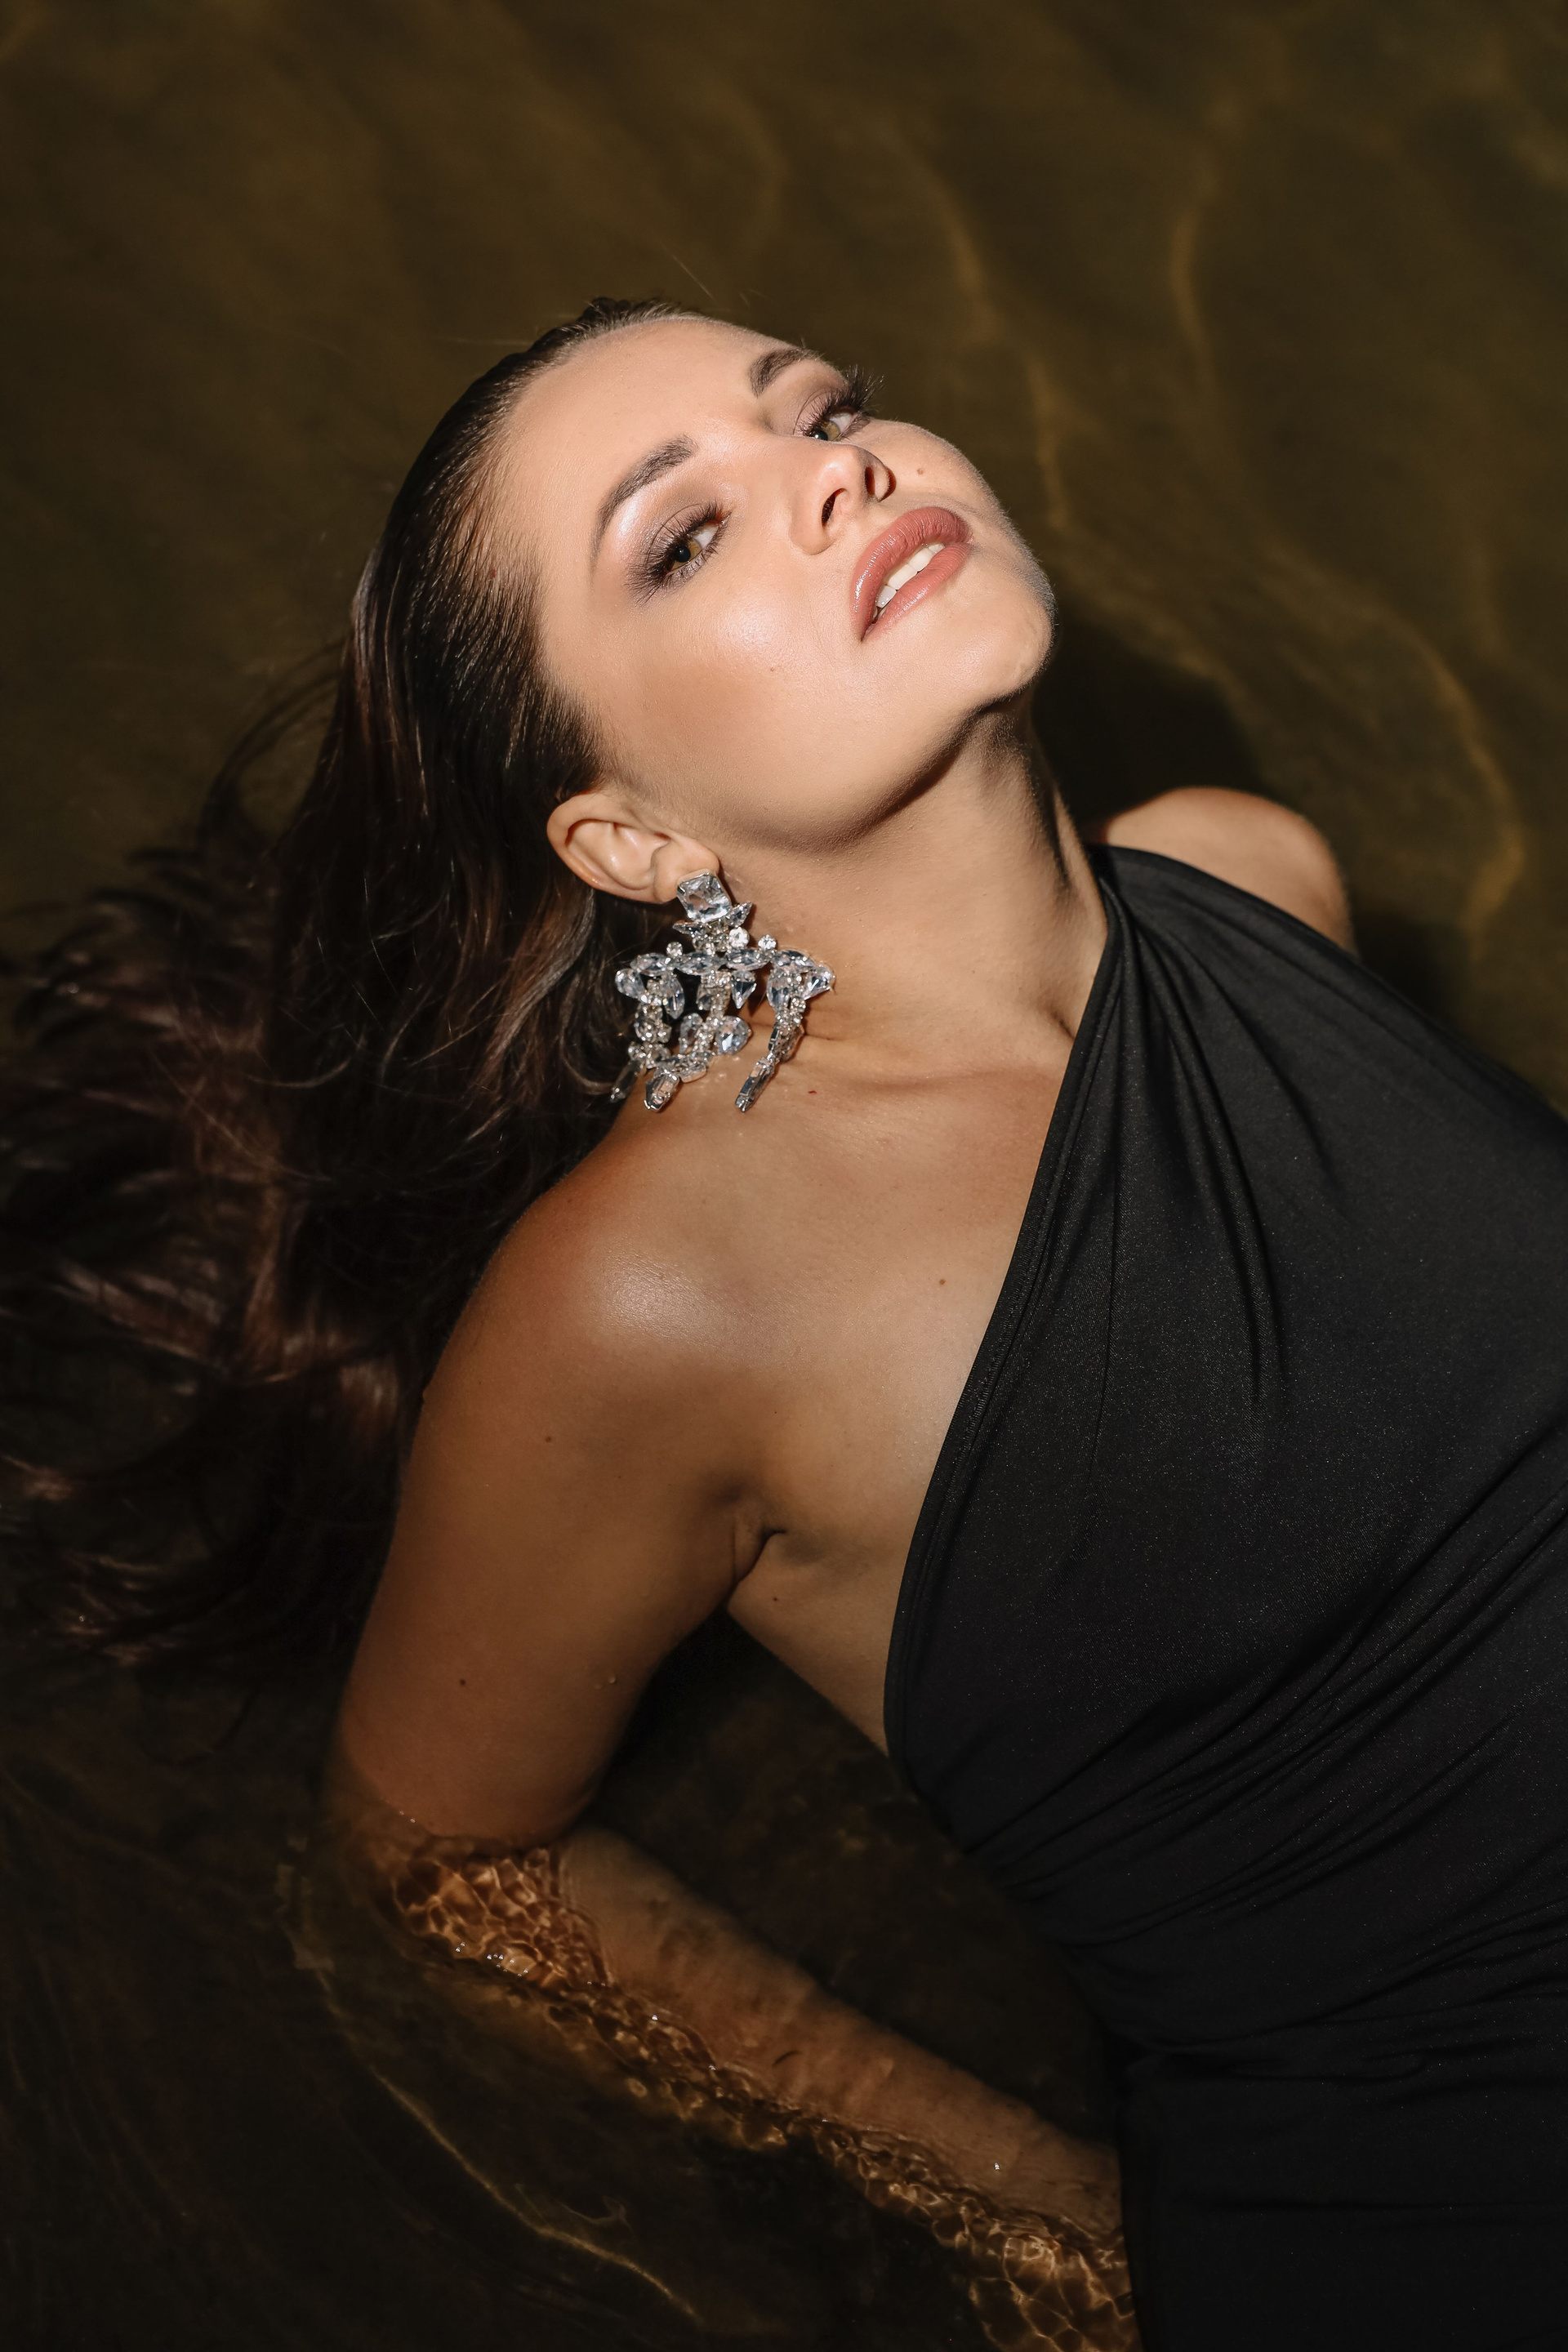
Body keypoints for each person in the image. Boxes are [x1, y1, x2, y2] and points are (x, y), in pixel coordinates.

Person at [7, 297, 1567, 2351]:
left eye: (824, 410)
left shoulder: (1257, 883)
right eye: (684, 536)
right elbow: (440, 1861)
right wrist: (1031, 2208)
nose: (839, 471)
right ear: (632, 837)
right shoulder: (658, 1299)